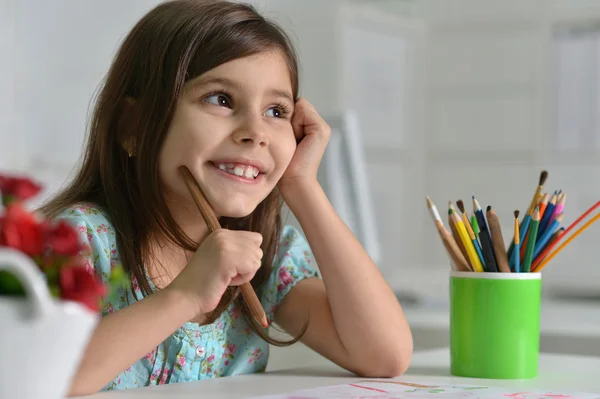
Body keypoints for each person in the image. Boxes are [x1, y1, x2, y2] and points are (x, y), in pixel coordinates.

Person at [41, 0, 413, 395]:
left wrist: (303, 185)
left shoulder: (266, 253)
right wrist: (187, 294)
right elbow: (42, 376)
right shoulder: (79, 240)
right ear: (132, 126)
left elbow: (385, 354)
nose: (256, 132)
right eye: (220, 99)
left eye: (276, 110)